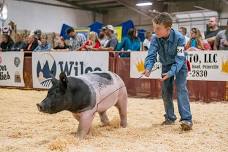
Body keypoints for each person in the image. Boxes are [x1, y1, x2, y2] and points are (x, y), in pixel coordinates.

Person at [143, 12, 193, 131]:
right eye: (154, 28)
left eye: (158, 28)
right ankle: (170, 118)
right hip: (165, 66)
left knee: (181, 88)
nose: (155, 31)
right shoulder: (155, 39)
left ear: (168, 29)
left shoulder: (180, 38)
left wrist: (171, 72)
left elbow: (180, 59)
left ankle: (187, 119)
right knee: (166, 91)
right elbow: (151, 55)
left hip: (180, 66)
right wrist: (148, 67)